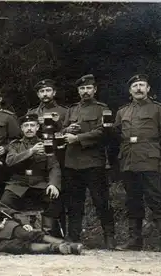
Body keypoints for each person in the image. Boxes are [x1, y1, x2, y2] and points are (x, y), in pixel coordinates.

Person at [114, 74, 161, 253]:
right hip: (128, 161)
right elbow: (116, 137)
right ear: (130, 90)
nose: (138, 88)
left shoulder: (159, 110)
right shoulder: (122, 112)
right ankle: (134, 240)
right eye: (135, 85)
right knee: (132, 201)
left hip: (151, 160)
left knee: (156, 199)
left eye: (141, 85)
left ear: (148, 88)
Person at [62, 74, 115, 249]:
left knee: (101, 200)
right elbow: (61, 130)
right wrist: (67, 129)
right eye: (82, 89)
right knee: (74, 202)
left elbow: (104, 132)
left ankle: (109, 238)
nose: (85, 91)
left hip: (93, 162)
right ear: (78, 91)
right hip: (72, 163)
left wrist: (78, 138)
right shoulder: (71, 110)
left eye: (88, 88)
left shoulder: (103, 109)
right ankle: (74, 237)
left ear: (95, 90)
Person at [0, 182, 83, 255]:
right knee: (21, 247)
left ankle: (69, 245)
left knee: (30, 234)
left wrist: (24, 223)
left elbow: (13, 213)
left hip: (6, 228)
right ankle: (58, 248)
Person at [0, 113, 63, 238]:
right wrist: (31, 151)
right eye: (26, 126)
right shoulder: (15, 145)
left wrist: (53, 184)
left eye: (32, 125)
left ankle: (49, 235)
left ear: (37, 128)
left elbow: (53, 166)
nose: (29, 128)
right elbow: (10, 161)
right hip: (18, 184)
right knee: (4, 203)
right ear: (22, 129)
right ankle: (8, 234)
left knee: (54, 199)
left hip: (38, 183)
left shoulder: (46, 145)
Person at [27, 79, 68, 233]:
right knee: (43, 193)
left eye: (48, 90)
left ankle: (64, 233)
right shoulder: (32, 113)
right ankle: (45, 232)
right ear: (38, 94)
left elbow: (68, 132)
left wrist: (58, 124)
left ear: (54, 92)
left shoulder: (64, 111)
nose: (45, 94)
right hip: (40, 158)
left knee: (62, 193)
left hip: (60, 156)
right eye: (42, 91)